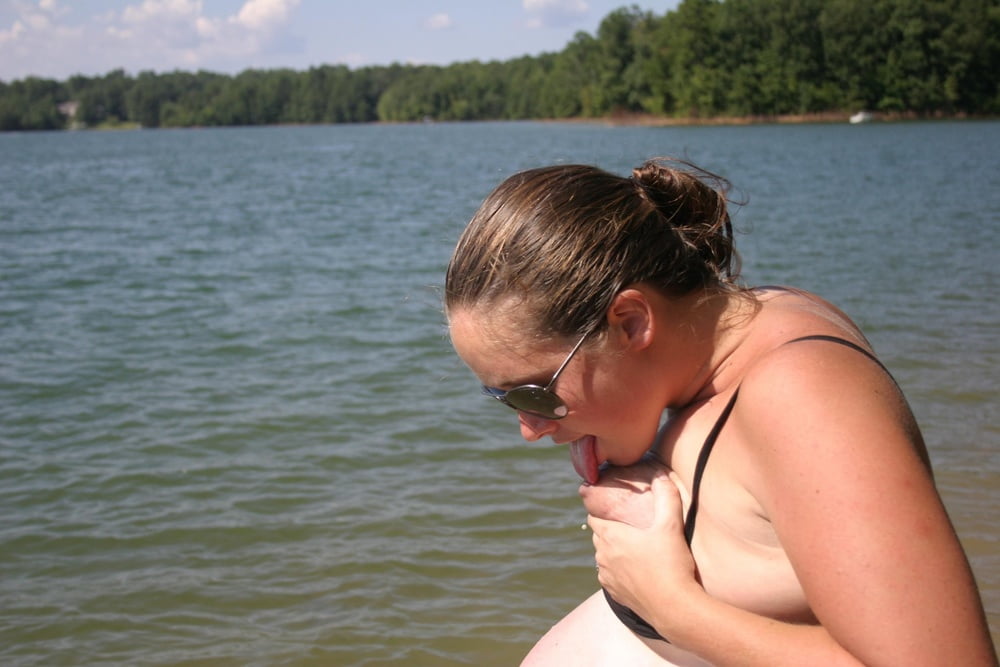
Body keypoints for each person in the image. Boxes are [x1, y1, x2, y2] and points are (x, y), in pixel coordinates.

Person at [444, 158, 997, 666]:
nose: (529, 428)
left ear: (631, 322)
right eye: (502, 398)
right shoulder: (748, 328)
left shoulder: (800, 393)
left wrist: (672, 608)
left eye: (533, 392)